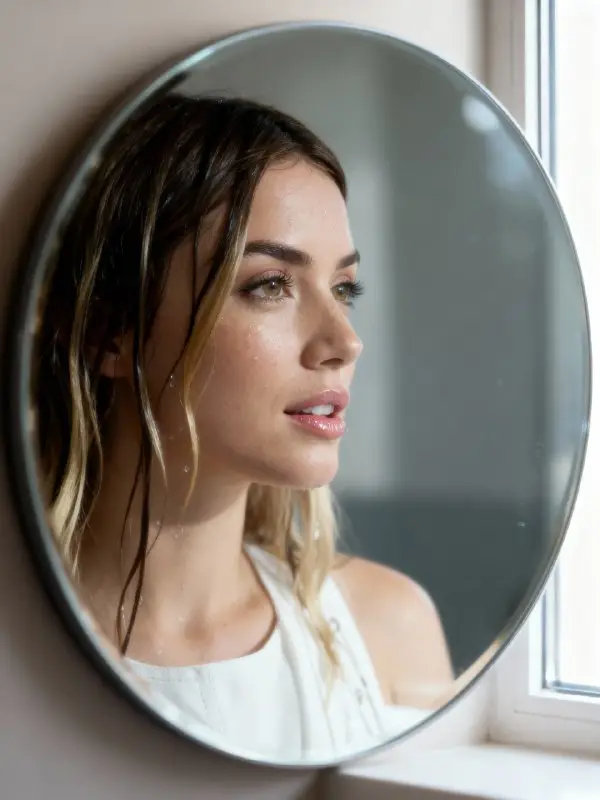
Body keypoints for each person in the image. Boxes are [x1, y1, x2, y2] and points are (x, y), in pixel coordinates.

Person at [34, 93, 454, 760]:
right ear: (111, 332)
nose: (344, 340)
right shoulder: (22, 645)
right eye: (270, 285)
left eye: (345, 289)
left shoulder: (387, 632)